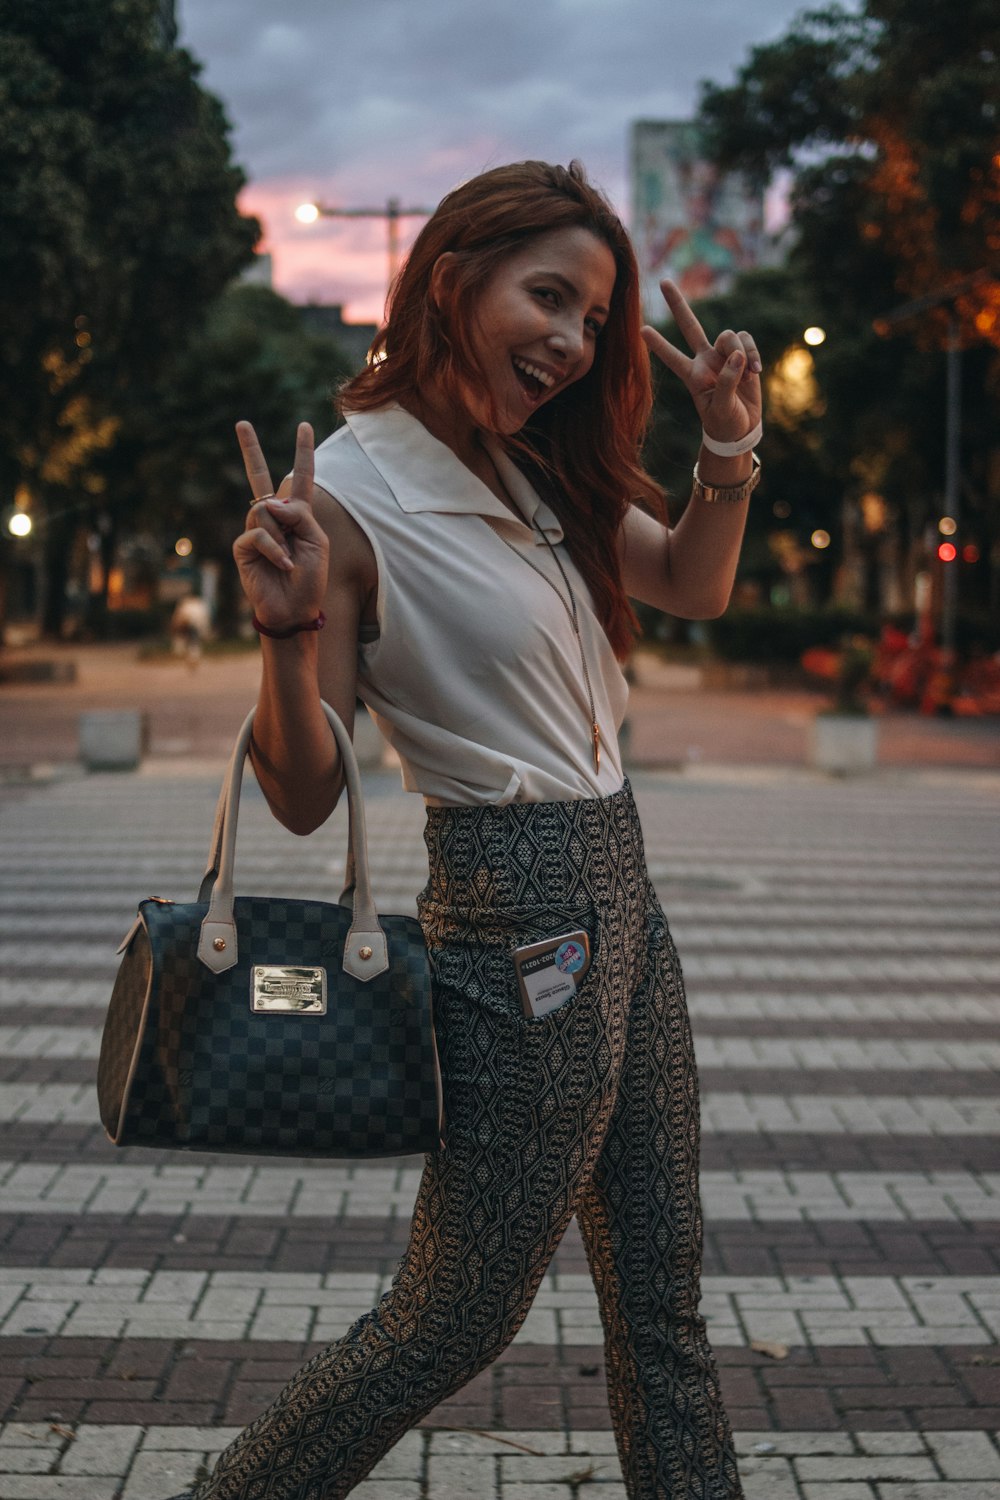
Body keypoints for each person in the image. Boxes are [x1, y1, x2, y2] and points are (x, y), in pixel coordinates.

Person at [173, 159, 761, 1500]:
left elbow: (692, 581)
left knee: (665, 1296)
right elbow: (304, 791)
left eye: (591, 319)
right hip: (518, 919)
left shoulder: (532, 467)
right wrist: (282, 633)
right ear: (453, 282)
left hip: (624, 887)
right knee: (453, 1317)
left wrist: (725, 443)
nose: (568, 340)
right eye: (544, 296)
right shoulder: (348, 498)